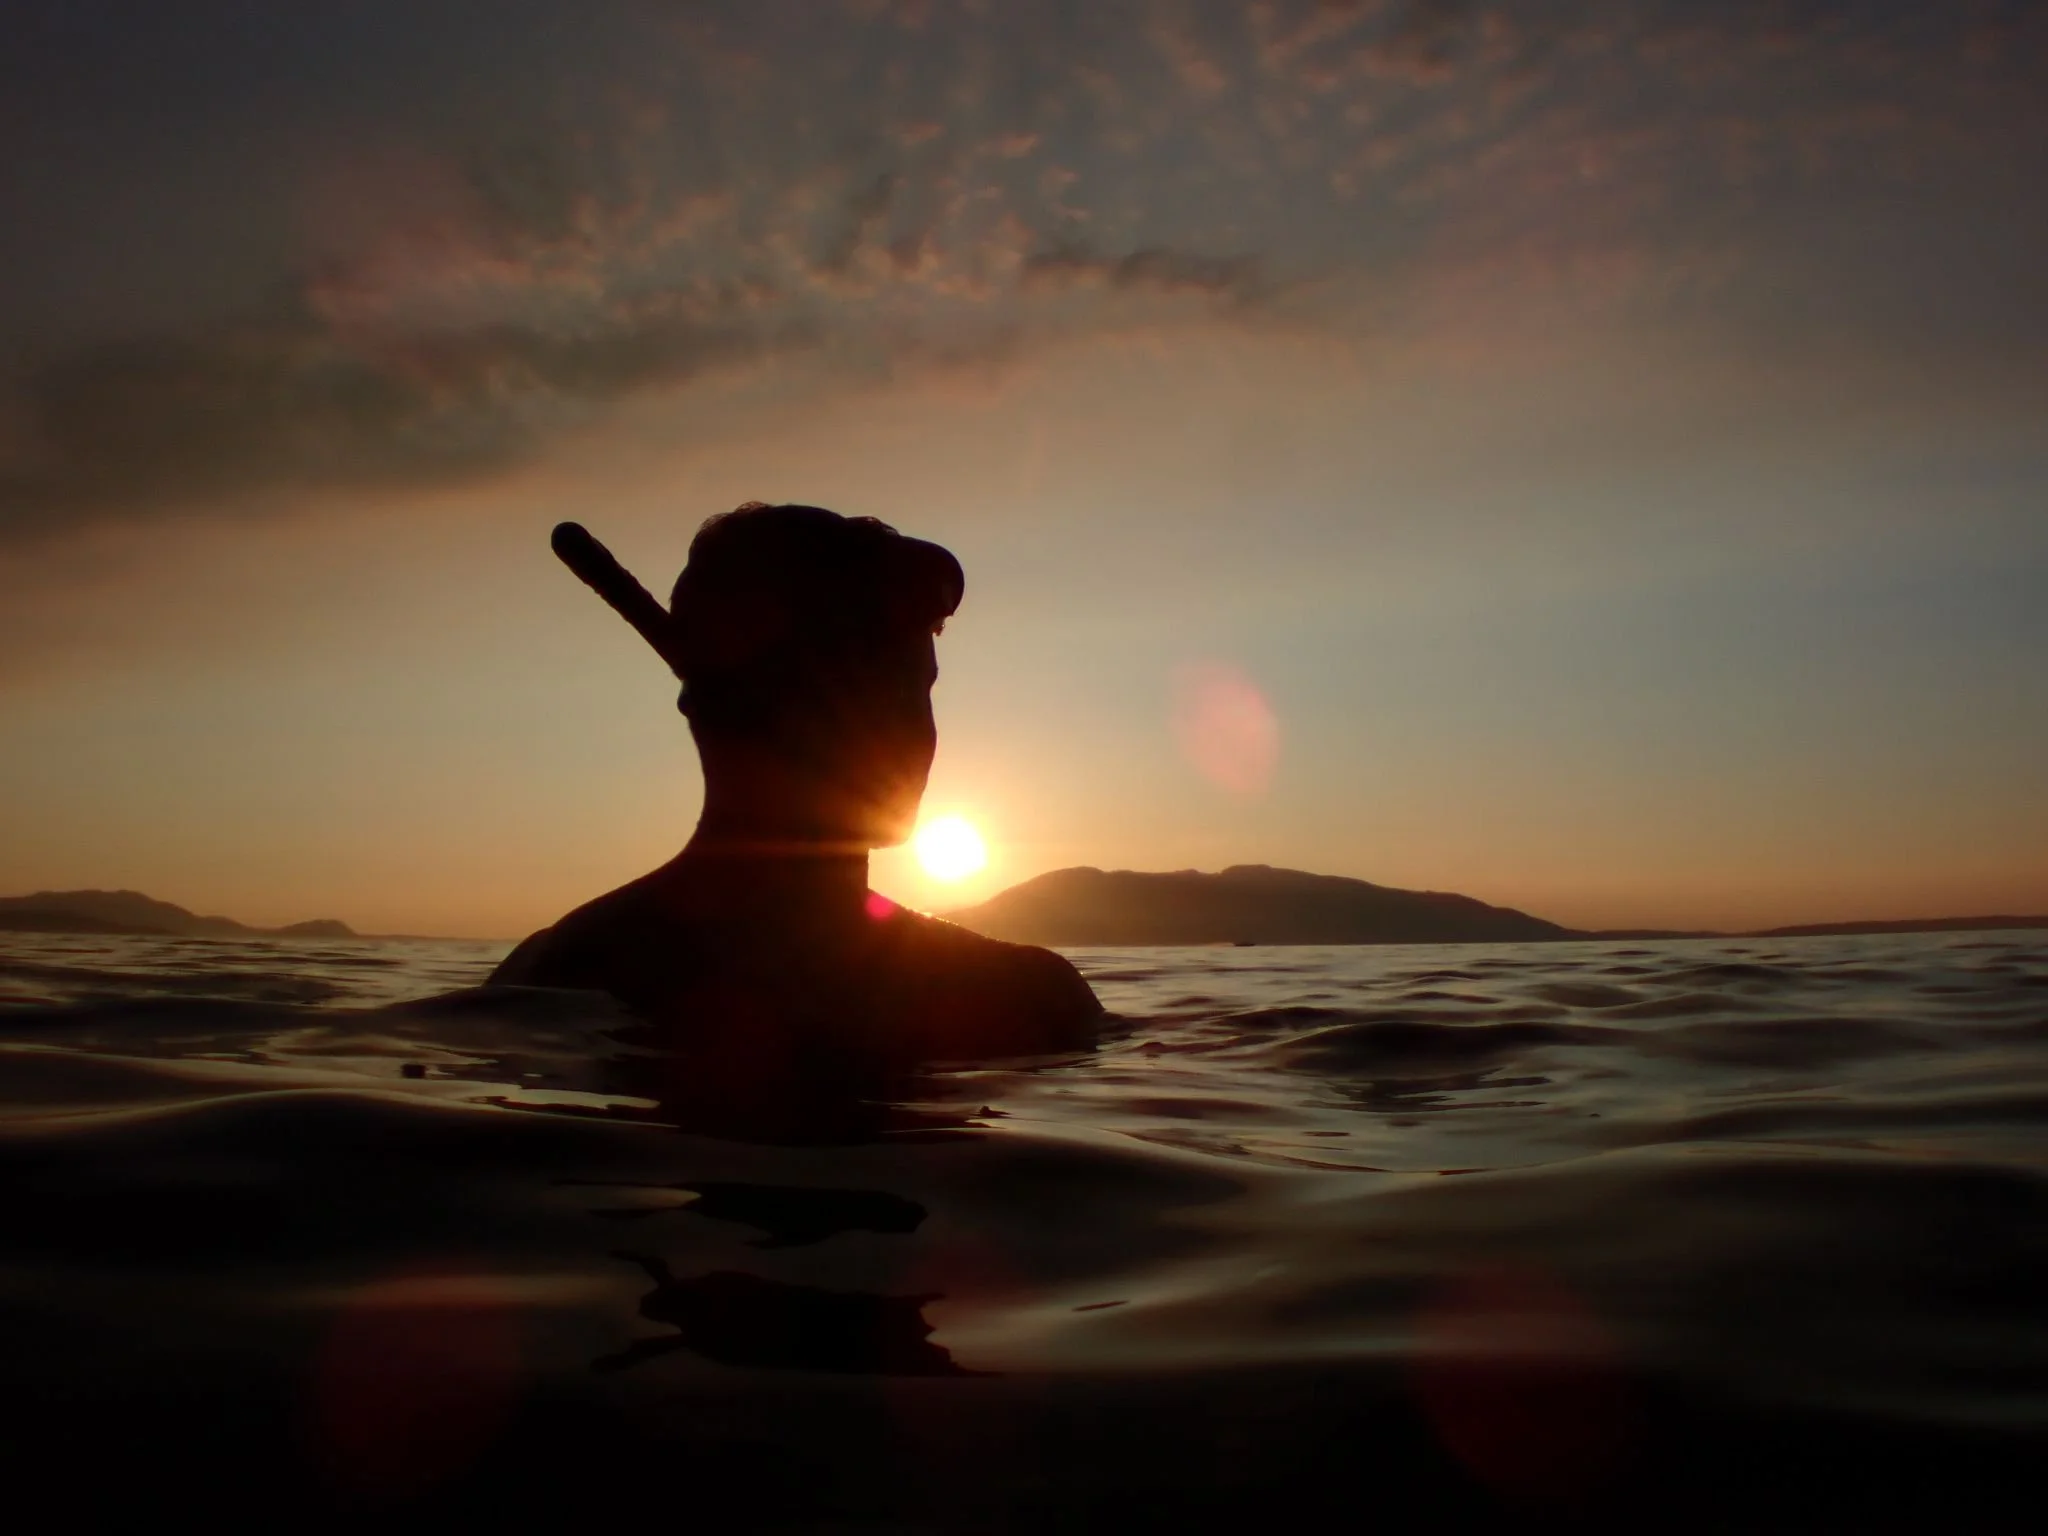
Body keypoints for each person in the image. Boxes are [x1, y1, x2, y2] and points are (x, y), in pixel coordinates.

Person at [490, 503, 1101, 1093]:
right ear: (711, 706)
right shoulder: (1020, 995)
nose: (912, 730)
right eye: (862, 690)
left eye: (917, 690)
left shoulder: (547, 979)